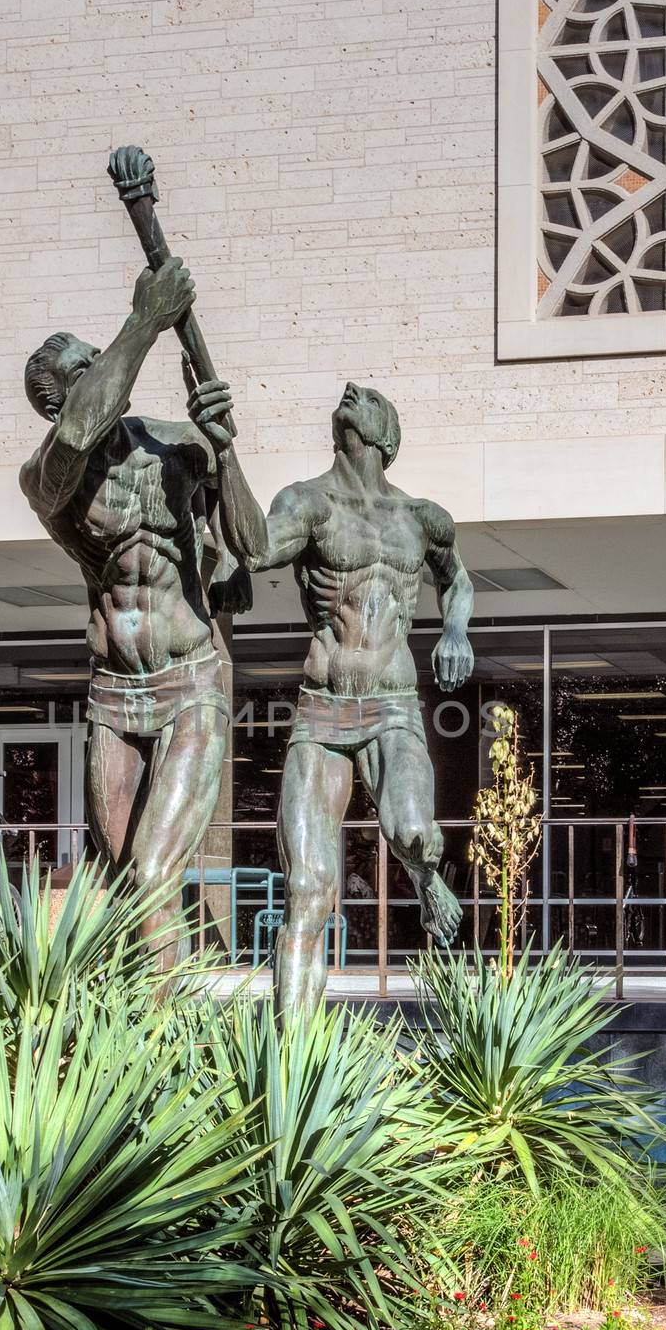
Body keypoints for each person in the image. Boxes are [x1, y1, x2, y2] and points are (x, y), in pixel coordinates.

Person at [191, 379, 475, 1013]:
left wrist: (456, 629)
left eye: (368, 396)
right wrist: (226, 454)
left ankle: (426, 876)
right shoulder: (308, 502)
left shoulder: (424, 518)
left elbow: (458, 582)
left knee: (409, 830)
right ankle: (291, 1054)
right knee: (308, 889)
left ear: (387, 436)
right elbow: (256, 545)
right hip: (322, 710)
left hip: (395, 703)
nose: (350, 391)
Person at [19, 257, 250, 965]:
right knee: (124, 881)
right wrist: (146, 318)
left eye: (102, 361)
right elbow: (82, 430)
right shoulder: (48, 478)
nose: (104, 371)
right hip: (117, 695)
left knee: (154, 873)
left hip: (191, 683)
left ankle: (159, 1048)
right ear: (57, 403)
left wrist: (224, 453)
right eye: (84, 370)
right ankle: (136, 1038)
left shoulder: (173, 445)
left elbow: (246, 538)